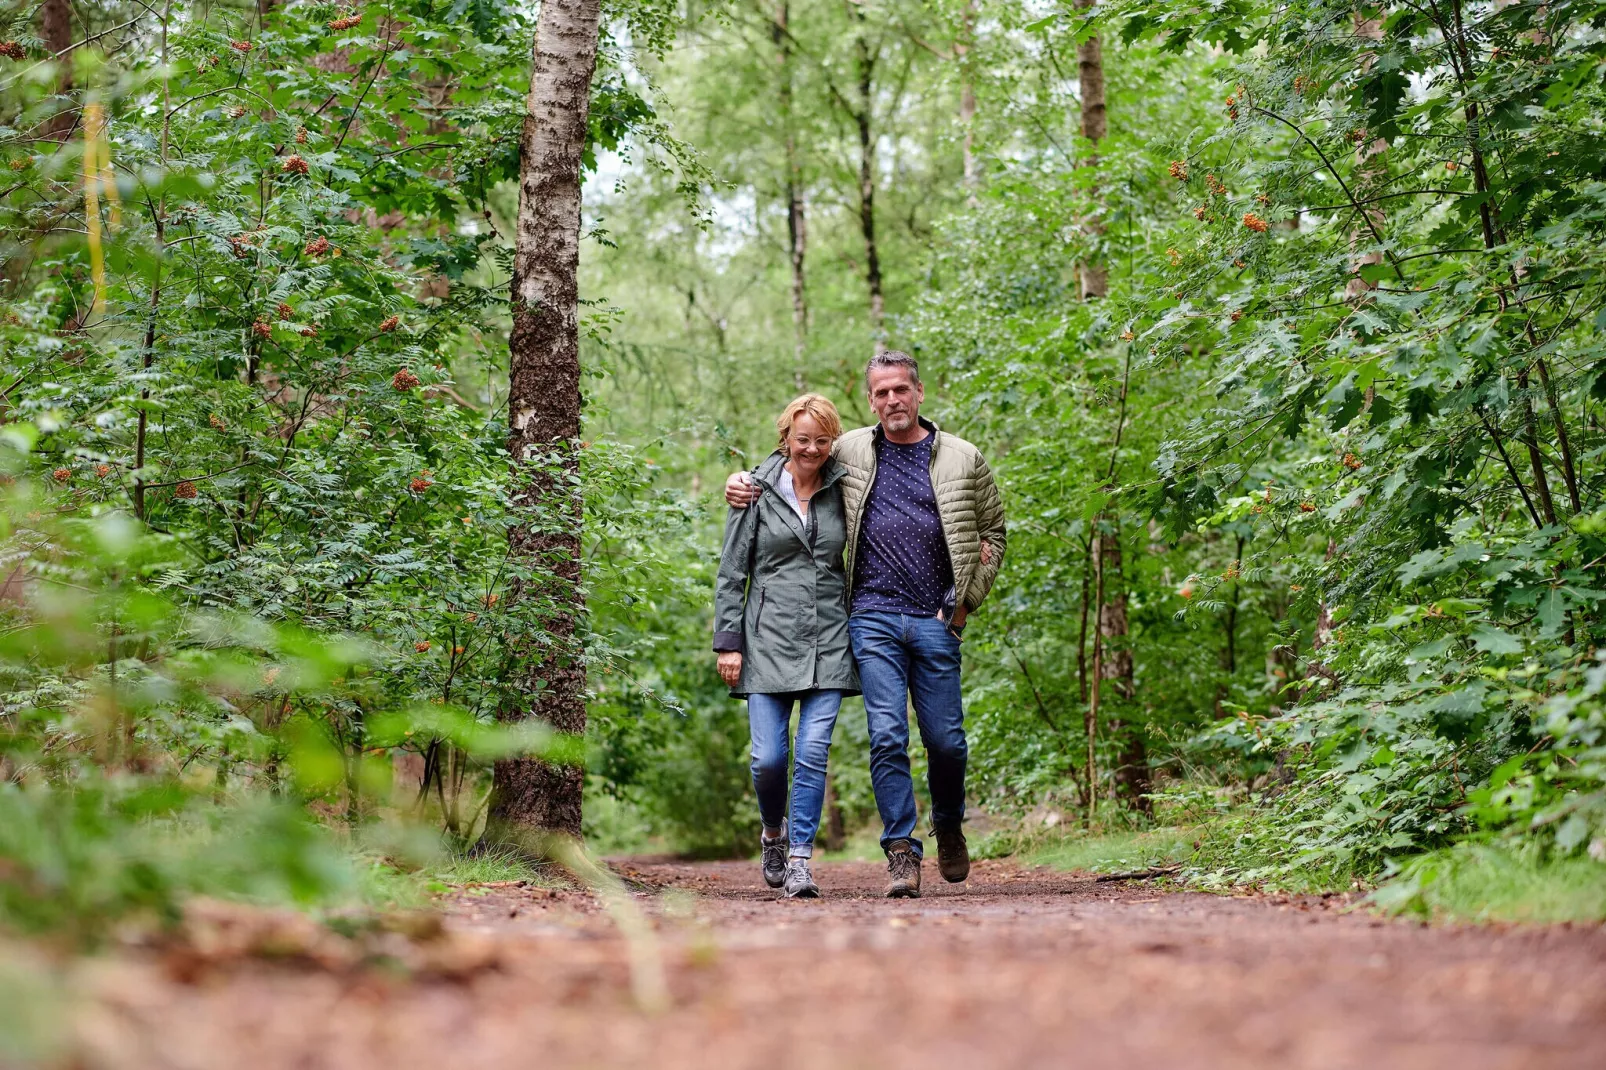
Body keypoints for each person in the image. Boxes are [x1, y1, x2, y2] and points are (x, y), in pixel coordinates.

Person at [726, 351, 1005, 898]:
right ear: (870, 399)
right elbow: (793, 455)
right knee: (886, 736)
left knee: (946, 742)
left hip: (936, 618)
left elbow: (994, 533)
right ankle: (901, 852)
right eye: (881, 393)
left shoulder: (963, 457)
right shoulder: (851, 448)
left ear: (919, 392)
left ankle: (948, 824)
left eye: (901, 390)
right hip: (871, 617)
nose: (892, 401)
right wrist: (739, 481)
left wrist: (965, 602)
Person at [713, 393, 859, 899]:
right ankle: (773, 833)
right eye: (803, 439)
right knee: (768, 759)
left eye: (822, 440)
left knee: (814, 751)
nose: (812, 449)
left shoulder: (846, 488)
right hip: (766, 638)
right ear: (785, 438)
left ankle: (799, 858)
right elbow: (733, 571)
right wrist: (727, 643)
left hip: (829, 638)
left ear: (832, 442)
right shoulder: (753, 491)